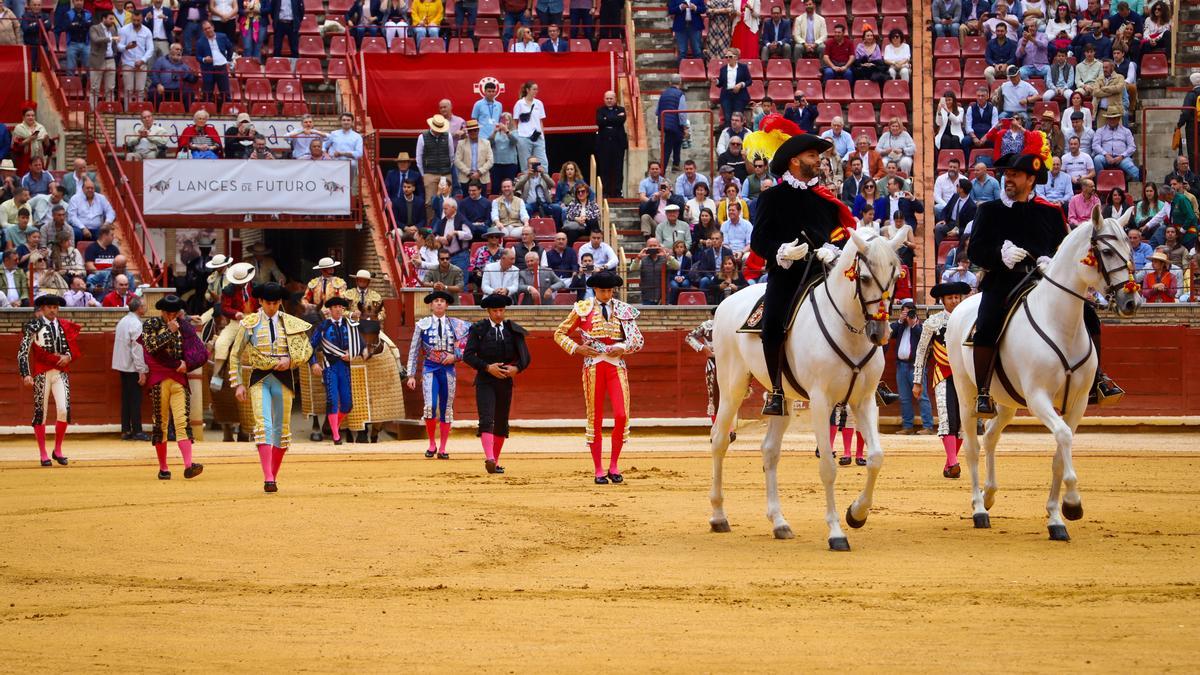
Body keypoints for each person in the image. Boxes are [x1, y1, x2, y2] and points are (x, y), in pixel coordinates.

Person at [968, 152, 1122, 417]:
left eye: (1015, 175)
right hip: (1004, 280)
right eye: (1006, 175)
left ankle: (1097, 379)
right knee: (986, 323)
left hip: (1045, 279)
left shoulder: (1050, 211)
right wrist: (999, 256)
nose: (1008, 179)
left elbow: (1065, 249)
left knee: (1089, 315)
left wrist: (1049, 260)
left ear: (1031, 179)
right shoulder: (989, 211)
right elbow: (974, 252)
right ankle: (983, 391)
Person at [752, 134, 848, 414]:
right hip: (788, 272)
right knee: (771, 324)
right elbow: (759, 240)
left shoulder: (826, 200)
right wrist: (781, 251)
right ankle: (777, 391)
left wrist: (834, 248)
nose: (818, 160)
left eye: (818, 156)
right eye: (812, 156)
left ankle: (868, 381)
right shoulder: (771, 197)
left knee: (860, 308)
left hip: (824, 270)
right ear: (794, 161)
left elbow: (839, 233)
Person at [553, 271, 643, 483]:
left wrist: (621, 346)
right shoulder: (582, 309)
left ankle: (614, 465)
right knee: (596, 418)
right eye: (603, 290)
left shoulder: (623, 309)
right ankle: (598, 469)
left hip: (615, 366)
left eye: (610, 290)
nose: (607, 294)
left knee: (621, 416)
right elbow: (559, 333)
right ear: (595, 290)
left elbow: (638, 341)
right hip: (593, 367)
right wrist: (577, 348)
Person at [229, 282, 313, 493]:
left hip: (284, 378)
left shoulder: (290, 323)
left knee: (282, 430)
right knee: (263, 425)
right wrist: (238, 383)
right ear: (261, 301)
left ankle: (272, 475)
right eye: (269, 303)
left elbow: (305, 349)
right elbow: (235, 354)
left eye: (276, 303)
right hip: (260, 378)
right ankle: (268, 477)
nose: (272, 307)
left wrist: (290, 360)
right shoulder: (250, 323)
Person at [138, 295, 205, 479]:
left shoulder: (184, 326)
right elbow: (151, 347)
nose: (172, 316)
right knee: (161, 424)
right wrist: (168, 331)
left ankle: (189, 465)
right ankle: (163, 467)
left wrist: (188, 365)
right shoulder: (151, 324)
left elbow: (197, 351)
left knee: (182, 421)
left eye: (175, 312)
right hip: (159, 380)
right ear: (162, 312)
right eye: (169, 312)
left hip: (178, 379)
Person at [463, 293, 530, 474]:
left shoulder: (512, 330)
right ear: (488, 311)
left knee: (501, 421)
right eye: (495, 311)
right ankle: (490, 458)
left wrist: (516, 369)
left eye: (501, 310)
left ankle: (496, 460)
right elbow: (467, 355)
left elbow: (525, 357)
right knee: (487, 419)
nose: (499, 314)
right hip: (485, 380)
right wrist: (486, 367)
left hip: (505, 381)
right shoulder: (479, 329)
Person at [914, 280, 971, 477]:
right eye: (950, 298)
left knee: (963, 421)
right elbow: (921, 352)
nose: (954, 301)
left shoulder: (970, 320)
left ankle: (950, 463)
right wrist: (917, 381)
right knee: (948, 418)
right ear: (943, 300)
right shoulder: (933, 322)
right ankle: (954, 462)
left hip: (965, 377)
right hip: (943, 374)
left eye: (957, 297)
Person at [406, 290, 470, 457]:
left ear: (447, 305)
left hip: (448, 370)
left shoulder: (457, 325)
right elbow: (413, 350)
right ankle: (432, 444)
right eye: (436, 301)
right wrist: (411, 375)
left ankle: (443, 448)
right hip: (430, 369)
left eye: (442, 301)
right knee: (430, 407)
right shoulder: (422, 324)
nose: (439, 303)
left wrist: (455, 356)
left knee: (446, 409)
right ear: (431, 305)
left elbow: (467, 347)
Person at [18, 294, 81, 465]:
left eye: (55, 307)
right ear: (43, 309)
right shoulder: (33, 326)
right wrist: (26, 374)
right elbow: (22, 352)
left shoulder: (64, 325)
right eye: (50, 307)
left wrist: (68, 356)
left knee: (63, 410)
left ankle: (58, 450)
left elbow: (72, 349)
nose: (53, 310)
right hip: (41, 374)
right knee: (41, 413)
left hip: (60, 372)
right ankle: (43, 453)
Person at [307, 296, 355, 445]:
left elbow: (359, 344)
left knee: (347, 404)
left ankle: (335, 425)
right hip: (329, 367)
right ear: (330, 309)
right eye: (335, 307)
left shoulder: (350, 325)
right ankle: (336, 435)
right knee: (333, 400)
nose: (339, 310)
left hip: (345, 368)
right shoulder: (323, 327)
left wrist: (352, 354)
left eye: (341, 307)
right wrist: (314, 363)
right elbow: (310, 346)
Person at [890, 303, 935, 435]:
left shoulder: (920, 327)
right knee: (904, 398)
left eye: (909, 313)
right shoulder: (899, 327)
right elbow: (890, 333)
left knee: (922, 396)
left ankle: (928, 426)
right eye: (905, 312)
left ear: (914, 314)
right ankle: (907, 426)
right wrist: (899, 320)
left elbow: (924, 338)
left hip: (916, 366)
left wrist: (913, 324)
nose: (907, 316)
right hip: (901, 366)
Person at [113, 296, 148, 441]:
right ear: (139, 308)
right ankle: (137, 431)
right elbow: (137, 349)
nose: (145, 308)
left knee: (126, 399)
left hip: (122, 366)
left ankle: (126, 430)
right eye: (144, 306)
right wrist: (142, 370)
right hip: (132, 367)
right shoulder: (136, 324)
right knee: (134, 400)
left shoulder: (123, 321)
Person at [1091, 107, 1139, 181]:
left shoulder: (1126, 131)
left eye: (1114, 118)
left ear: (1118, 119)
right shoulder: (1100, 131)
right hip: (1105, 157)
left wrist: (1122, 156)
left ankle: (1141, 183)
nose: (1112, 120)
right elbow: (1095, 145)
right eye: (1110, 118)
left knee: (1131, 167)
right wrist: (1105, 154)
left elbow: (1132, 147)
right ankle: (1100, 184)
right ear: (1107, 119)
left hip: (1122, 157)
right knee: (1097, 160)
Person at [595, 91, 627, 198]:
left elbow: (621, 120)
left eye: (611, 98)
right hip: (604, 145)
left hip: (618, 144)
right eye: (607, 98)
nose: (609, 100)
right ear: (604, 99)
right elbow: (600, 122)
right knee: (605, 169)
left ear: (615, 99)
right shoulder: (600, 110)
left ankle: (618, 192)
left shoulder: (621, 109)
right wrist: (614, 119)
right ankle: (605, 192)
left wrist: (607, 120)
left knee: (618, 169)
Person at [117, 9, 153, 103]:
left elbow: (150, 49)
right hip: (127, 62)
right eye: (134, 20)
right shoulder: (124, 30)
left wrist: (142, 60)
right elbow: (119, 46)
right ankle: (127, 113)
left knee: (140, 90)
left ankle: (139, 113)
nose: (136, 22)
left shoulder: (147, 31)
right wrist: (126, 47)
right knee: (128, 90)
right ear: (131, 18)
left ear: (142, 19)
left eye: (138, 20)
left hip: (141, 63)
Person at [513, 81, 548, 169]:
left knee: (543, 163)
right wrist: (517, 136)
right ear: (527, 90)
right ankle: (527, 182)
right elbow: (515, 121)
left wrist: (542, 136)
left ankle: (544, 181)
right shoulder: (519, 103)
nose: (536, 91)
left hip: (537, 136)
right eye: (534, 89)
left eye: (537, 89)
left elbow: (540, 121)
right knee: (525, 164)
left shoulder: (539, 103)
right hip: (523, 137)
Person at [87, 13, 120, 107]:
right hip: (98, 60)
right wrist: (110, 38)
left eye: (113, 19)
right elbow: (96, 39)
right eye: (110, 19)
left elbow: (115, 44)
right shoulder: (94, 28)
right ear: (104, 19)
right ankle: (93, 111)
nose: (112, 21)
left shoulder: (113, 29)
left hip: (111, 60)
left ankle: (109, 110)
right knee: (94, 88)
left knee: (110, 88)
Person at [657, 74, 688, 171]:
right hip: (675, 123)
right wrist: (685, 126)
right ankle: (663, 170)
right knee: (668, 148)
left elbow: (657, 110)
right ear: (680, 83)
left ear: (670, 83)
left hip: (663, 123)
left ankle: (676, 164)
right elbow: (682, 112)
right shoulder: (680, 94)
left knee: (677, 139)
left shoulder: (663, 94)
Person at [715, 49, 752, 128]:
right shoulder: (723, 69)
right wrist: (716, 81)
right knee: (728, 118)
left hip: (740, 94)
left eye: (730, 56)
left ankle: (739, 137)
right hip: (726, 95)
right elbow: (721, 83)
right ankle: (729, 137)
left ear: (736, 57)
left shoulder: (743, 67)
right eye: (726, 57)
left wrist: (741, 85)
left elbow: (749, 81)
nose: (728, 58)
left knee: (738, 117)